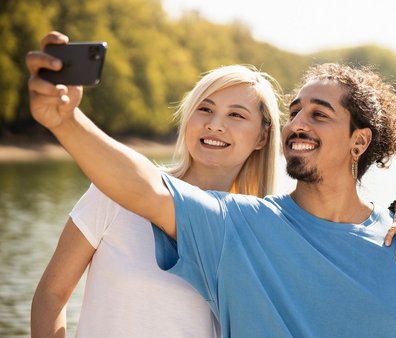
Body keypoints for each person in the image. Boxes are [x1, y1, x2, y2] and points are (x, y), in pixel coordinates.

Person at [28, 31, 396, 337]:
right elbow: (144, 188)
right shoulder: (242, 227)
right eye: (295, 112)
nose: (298, 123)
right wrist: (66, 122)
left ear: (360, 141)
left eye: (319, 114)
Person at [29, 35, 283, 337]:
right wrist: (64, 119)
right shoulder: (114, 189)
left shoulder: (257, 233)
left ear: (262, 137)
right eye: (205, 109)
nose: (215, 124)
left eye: (236, 115)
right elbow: (51, 294)